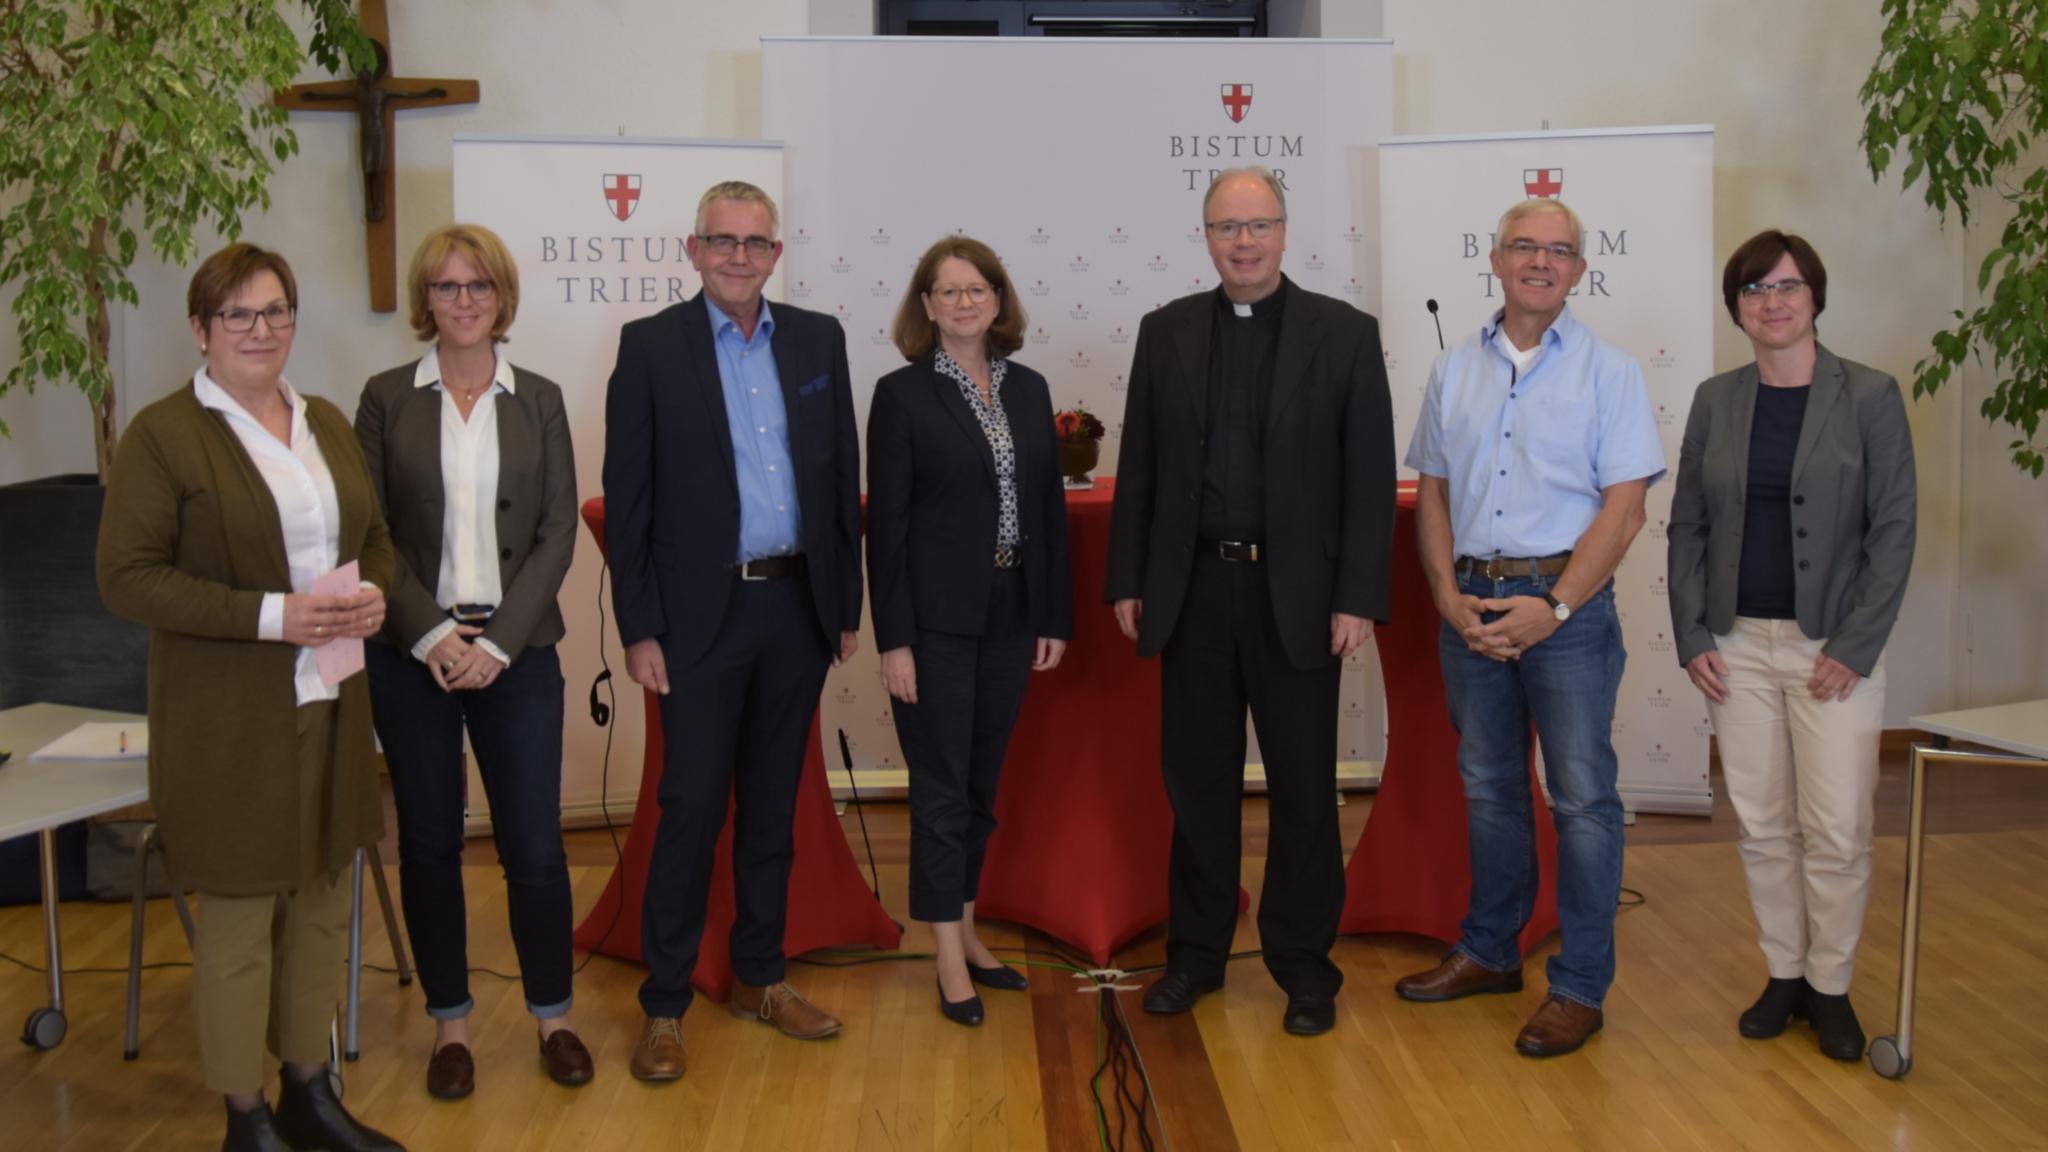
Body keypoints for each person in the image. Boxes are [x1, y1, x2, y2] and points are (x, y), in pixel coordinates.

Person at [97, 243, 404, 1152]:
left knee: (318, 897)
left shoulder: (324, 423)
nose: (261, 330)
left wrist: (376, 593)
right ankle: (247, 1116)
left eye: (276, 311)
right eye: (239, 315)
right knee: (237, 916)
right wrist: (276, 616)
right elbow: (126, 579)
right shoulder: (163, 436)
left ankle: (308, 1090)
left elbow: (377, 534)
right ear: (200, 330)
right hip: (227, 719)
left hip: (333, 702)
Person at [1105, 166, 1395, 1037]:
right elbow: (1142, 466)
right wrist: (1129, 579)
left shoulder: (1343, 334)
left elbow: (1368, 481)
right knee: (1197, 787)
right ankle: (1194, 956)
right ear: (1205, 235)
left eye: (1258, 225)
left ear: (1284, 230)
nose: (1244, 242)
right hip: (1192, 592)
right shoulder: (1165, 332)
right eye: (1227, 227)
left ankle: (1305, 966)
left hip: (1299, 597)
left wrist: (1356, 598)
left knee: (1306, 790)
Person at [602, 180, 863, 1080]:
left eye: (755, 243)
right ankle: (665, 1005)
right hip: (696, 623)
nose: (739, 257)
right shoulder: (648, 350)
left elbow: (838, 485)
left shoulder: (818, 340)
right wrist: (639, 627)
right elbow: (628, 505)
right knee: (689, 810)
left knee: (772, 807)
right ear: (693, 249)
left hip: (794, 611)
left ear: (776, 254)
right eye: (723, 241)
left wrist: (844, 608)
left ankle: (761, 975)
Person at [1393, 198, 1665, 1059]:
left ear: (1579, 270)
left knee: (1582, 800)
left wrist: (1553, 609)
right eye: (1524, 247)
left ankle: (1579, 987)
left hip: (1567, 613)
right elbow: (1433, 491)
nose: (1540, 262)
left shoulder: (1610, 372)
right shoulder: (1453, 371)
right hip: (1470, 603)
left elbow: (1625, 510)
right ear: (1496, 260)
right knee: (1489, 787)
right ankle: (1489, 950)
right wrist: (1445, 595)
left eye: (1559, 251)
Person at [1668, 230, 1916, 1061]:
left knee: (1839, 827)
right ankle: (1784, 974)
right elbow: (1689, 524)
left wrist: (1857, 643)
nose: (1771, 302)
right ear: (1736, 306)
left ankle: (1831, 986)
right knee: (1764, 825)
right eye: (1753, 290)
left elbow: (1894, 529)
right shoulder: (1716, 398)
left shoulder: (1871, 396)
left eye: (1787, 287)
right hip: (1735, 645)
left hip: (1831, 654)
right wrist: (1691, 630)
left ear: (1815, 296)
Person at [354, 223, 589, 1098]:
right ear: (428, 301)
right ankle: (450, 1027)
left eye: (478, 286)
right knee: (427, 843)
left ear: (502, 298)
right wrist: (431, 637)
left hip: (516, 653)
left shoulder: (542, 397)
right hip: (411, 653)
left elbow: (558, 530)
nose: (464, 301)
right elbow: (370, 532)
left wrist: (493, 643)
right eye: (448, 288)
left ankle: (554, 1018)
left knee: (532, 844)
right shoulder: (384, 397)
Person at [867, 235, 1073, 1026]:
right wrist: (895, 641)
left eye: (975, 288)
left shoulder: (1029, 388)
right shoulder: (902, 396)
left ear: (997, 299)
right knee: (941, 791)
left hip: (1013, 617)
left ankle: (970, 929)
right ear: (926, 307)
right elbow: (884, 532)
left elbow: (1048, 514)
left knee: (982, 788)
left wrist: (1053, 614)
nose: (962, 302)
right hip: (935, 626)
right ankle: (946, 952)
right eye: (945, 291)